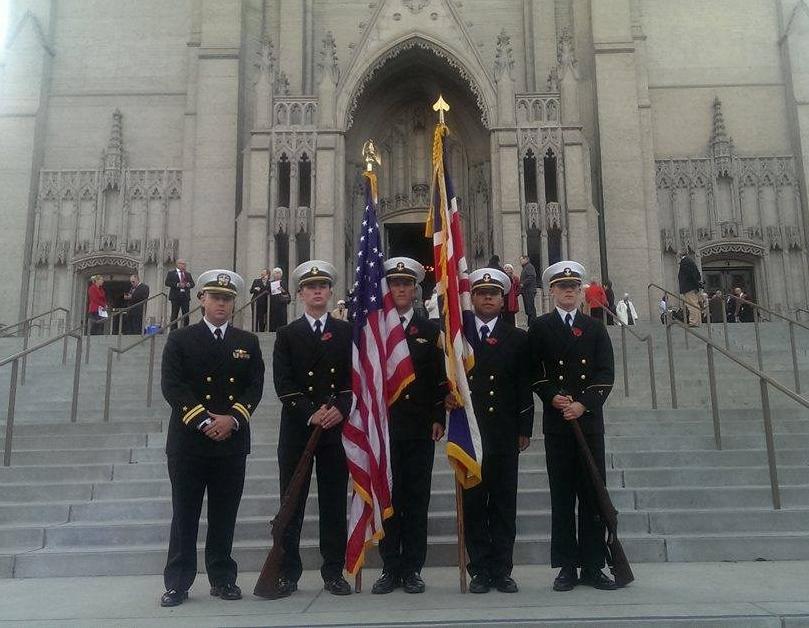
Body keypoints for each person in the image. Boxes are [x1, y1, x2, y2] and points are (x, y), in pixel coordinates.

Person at [159, 269, 264, 607]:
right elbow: (173, 387)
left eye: (227, 298)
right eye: (215, 297)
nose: (221, 303)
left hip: (231, 442)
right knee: (184, 514)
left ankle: (222, 578)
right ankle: (178, 582)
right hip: (190, 442)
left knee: (224, 514)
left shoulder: (247, 342)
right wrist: (205, 421)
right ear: (201, 299)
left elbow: (254, 387)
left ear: (234, 303)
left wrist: (233, 419)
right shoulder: (180, 339)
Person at [529, 261, 618, 592]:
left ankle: (594, 565)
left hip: (589, 423)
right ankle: (567, 565)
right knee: (563, 496)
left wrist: (583, 404)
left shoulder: (595, 328)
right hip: (558, 424)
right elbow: (533, 371)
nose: (568, 291)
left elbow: (605, 374)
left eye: (574, 287)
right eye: (562, 287)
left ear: (581, 292)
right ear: (551, 291)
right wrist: (552, 396)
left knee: (592, 495)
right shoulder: (540, 327)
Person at [272, 260, 353, 597]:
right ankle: (287, 573)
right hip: (299, 429)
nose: (317, 291)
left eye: (322, 286)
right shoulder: (287, 334)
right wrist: (311, 413)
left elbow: (354, 380)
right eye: (310, 287)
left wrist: (339, 409)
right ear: (300, 294)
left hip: (335, 430)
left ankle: (333, 571)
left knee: (333, 504)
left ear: (331, 292)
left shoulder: (347, 332)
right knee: (292, 503)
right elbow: (284, 383)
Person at [372, 257, 446, 595]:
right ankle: (390, 566)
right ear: (387, 288)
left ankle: (413, 567)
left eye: (406, 284)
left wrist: (437, 418)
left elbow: (438, 380)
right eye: (394, 284)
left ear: (415, 290)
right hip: (383, 428)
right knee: (387, 499)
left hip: (418, 428)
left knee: (416, 500)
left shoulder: (430, 330)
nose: (400, 289)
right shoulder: (373, 328)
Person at [460, 267, 534, 594]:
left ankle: (502, 569)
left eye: (493, 294)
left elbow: (523, 387)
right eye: (481, 293)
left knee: (504, 504)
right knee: (474, 503)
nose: (487, 298)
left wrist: (524, 428)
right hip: (470, 434)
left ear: (503, 300)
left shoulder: (517, 338)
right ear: (472, 298)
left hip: (504, 432)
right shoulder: (458, 337)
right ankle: (479, 569)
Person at [165, 259, 195, 330]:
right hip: (175, 297)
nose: (184, 266)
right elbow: (167, 283)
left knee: (186, 315)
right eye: (183, 264)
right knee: (174, 315)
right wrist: (177, 284)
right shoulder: (171, 273)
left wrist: (188, 284)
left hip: (185, 297)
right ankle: (174, 331)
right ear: (178, 264)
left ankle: (185, 330)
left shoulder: (188, 274)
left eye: (185, 264)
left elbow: (192, 284)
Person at [677, 253, 702, 327]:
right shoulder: (690, 261)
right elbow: (696, 274)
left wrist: (695, 284)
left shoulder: (685, 261)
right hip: (691, 286)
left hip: (688, 286)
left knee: (691, 304)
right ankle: (697, 321)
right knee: (694, 303)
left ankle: (693, 322)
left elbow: (691, 274)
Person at [268, 267, 291, 331]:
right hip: (273, 304)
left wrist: (282, 290)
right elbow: (267, 291)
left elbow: (287, 293)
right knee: (273, 320)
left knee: (282, 319)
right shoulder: (270, 283)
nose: (277, 275)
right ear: (273, 274)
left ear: (281, 275)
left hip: (282, 304)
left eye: (278, 273)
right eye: (276, 273)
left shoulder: (283, 283)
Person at [519, 255, 538, 326]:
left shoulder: (529, 267)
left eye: (522, 260)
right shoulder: (525, 267)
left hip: (529, 290)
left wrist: (523, 284)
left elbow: (532, 276)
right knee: (528, 308)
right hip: (526, 291)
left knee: (530, 308)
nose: (520, 261)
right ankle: (531, 323)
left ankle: (533, 323)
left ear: (526, 259)